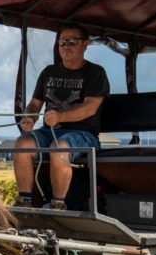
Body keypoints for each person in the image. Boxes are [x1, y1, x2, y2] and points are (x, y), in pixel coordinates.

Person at [13, 27, 109, 209]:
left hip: (83, 134)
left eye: (72, 42)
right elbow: (34, 104)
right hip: (49, 131)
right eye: (62, 42)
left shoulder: (95, 73)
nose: (66, 46)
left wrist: (60, 116)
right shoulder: (48, 72)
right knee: (22, 144)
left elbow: (90, 108)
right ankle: (25, 202)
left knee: (59, 148)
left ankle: (58, 205)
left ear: (85, 45)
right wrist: (30, 118)